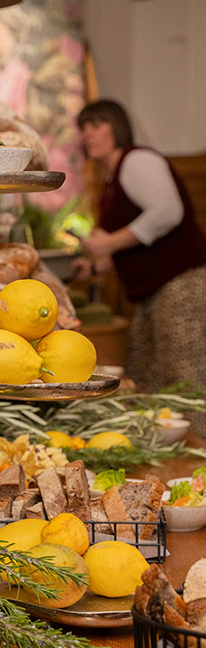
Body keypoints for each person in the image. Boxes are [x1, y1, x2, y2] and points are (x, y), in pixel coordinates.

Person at [74, 99, 206, 430]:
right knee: (148, 373)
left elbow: (168, 213)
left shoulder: (136, 160)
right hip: (155, 290)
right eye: (84, 127)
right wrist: (96, 265)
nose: (87, 134)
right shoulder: (111, 178)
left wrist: (109, 243)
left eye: (96, 125)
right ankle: (167, 447)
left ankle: (198, 450)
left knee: (184, 376)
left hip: (180, 283)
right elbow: (139, 238)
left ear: (117, 128)